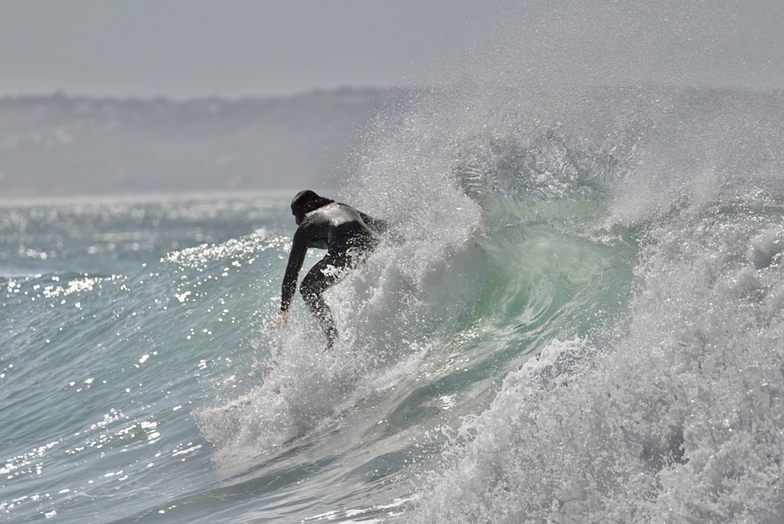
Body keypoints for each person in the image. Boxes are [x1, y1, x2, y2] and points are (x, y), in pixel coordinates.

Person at [273, 190, 388, 350]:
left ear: (303, 210)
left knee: (307, 289)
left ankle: (332, 337)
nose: (295, 221)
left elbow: (292, 272)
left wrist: (284, 309)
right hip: (370, 242)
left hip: (345, 250)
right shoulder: (342, 206)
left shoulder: (305, 226)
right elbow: (377, 224)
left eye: (295, 214)